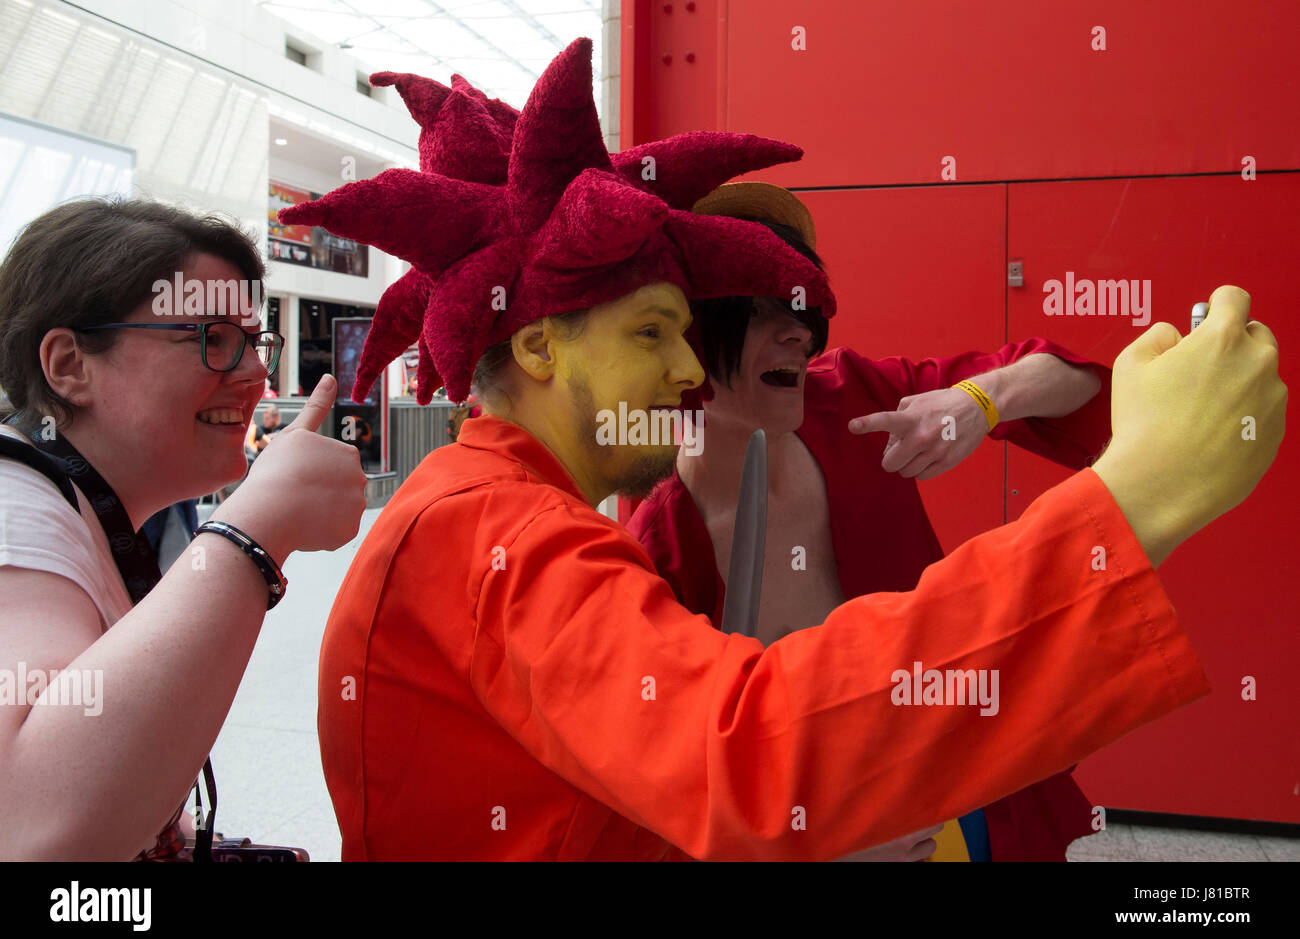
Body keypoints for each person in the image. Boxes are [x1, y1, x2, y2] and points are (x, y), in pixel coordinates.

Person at [297, 39, 1284, 860]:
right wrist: (1131, 509)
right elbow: (739, 755)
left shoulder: (514, 505)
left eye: (687, 329)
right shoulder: (512, 534)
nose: (686, 368)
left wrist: (986, 404)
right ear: (539, 344)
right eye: (652, 332)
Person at [628, 184, 1108, 860]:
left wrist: (982, 398)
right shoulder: (659, 554)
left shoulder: (855, 401)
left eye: (803, 308)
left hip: (969, 796)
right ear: (689, 336)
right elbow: (674, 790)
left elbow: (1081, 384)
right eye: (762, 311)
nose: (798, 330)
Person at [0, 197, 368, 860]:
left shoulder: (124, 513)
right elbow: (32, 828)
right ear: (69, 365)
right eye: (214, 340)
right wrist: (257, 526)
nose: (256, 374)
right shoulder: (13, 502)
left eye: (254, 342)